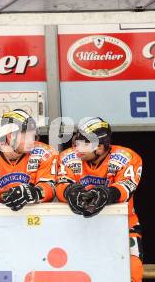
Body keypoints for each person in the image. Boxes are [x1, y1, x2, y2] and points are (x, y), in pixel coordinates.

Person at [56, 117, 143, 282]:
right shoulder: (67, 156)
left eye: (84, 144)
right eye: (76, 142)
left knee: (132, 274)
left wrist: (106, 194)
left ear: (101, 147)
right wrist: (71, 192)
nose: (77, 148)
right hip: (78, 228)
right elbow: (60, 185)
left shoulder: (127, 157)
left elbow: (126, 187)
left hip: (123, 227)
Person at [0, 109, 57, 210]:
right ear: (10, 136)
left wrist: (33, 193)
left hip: (34, 216)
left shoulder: (45, 153)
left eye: (33, 135)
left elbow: (50, 186)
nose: (32, 140)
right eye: (26, 135)